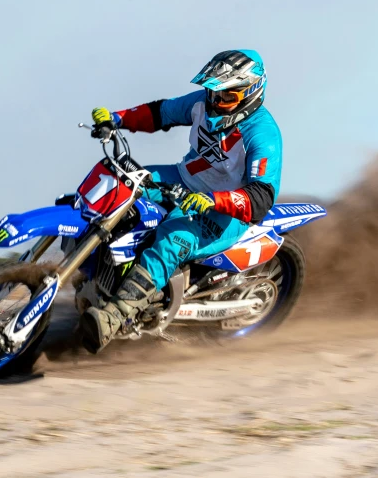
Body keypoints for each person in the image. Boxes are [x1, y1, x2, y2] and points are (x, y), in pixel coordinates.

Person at [79, 49, 282, 353]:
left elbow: (261, 198)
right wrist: (115, 119)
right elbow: (161, 112)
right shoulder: (201, 104)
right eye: (213, 93)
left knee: (171, 240)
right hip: (181, 179)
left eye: (226, 97)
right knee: (118, 185)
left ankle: (115, 316)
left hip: (223, 212)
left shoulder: (263, 135)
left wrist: (213, 200)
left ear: (250, 93)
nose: (215, 103)